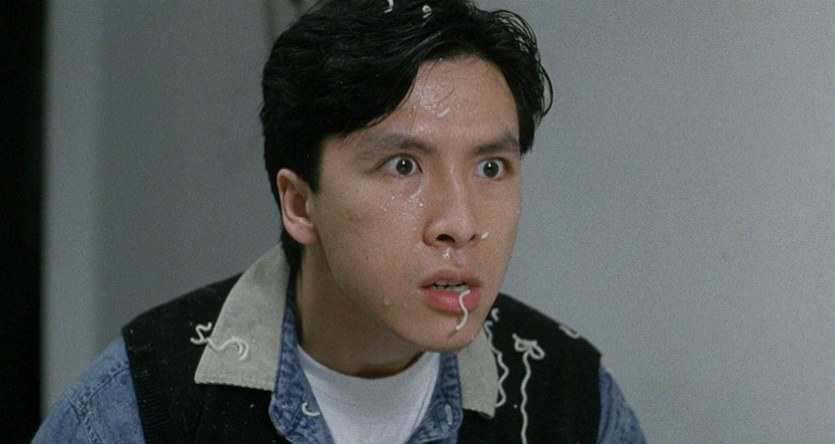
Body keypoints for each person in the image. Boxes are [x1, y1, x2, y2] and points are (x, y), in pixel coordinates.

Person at [35, 0, 645, 442]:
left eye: (491, 168)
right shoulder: (148, 403)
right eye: (403, 165)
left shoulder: (568, 398)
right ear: (300, 204)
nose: (461, 223)